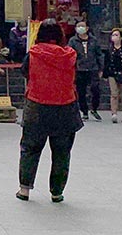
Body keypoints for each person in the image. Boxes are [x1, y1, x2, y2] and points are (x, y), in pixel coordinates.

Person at [16, 19, 82, 203]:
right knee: (61, 152)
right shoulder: (70, 55)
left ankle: (24, 189)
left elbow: (25, 72)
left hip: (37, 105)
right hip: (65, 107)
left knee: (30, 148)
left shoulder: (33, 54)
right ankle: (56, 191)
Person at [68, 21, 103, 122]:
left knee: (95, 89)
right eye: (78, 26)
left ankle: (94, 108)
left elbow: (99, 54)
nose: (80, 28)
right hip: (79, 69)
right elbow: (70, 55)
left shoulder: (94, 40)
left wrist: (101, 68)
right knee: (81, 91)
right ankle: (84, 111)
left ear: (87, 28)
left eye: (82, 26)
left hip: (93, 68)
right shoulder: (73, 41)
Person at [103, 29, 122, 123]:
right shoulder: (109, 49)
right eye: (112, 35)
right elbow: (106, 62)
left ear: (121, 37)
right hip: (112, 73)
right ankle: (114, 113)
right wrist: (105, 74)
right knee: (114, 94)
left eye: (116, 35)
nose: (114, 37)